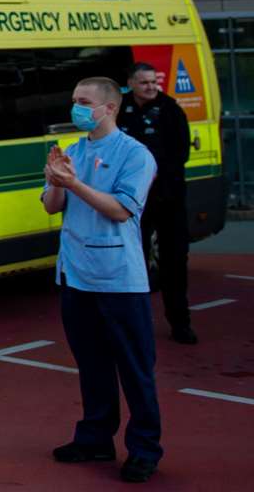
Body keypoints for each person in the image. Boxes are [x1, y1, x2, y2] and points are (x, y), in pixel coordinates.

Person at [42, 77, 161, 484]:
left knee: (134, 367)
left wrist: (74, 182)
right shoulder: (72, 152)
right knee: (91, 365)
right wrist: (56, 181)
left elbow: (121, 211)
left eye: (84, 102)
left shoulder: (135, 155)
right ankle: (95, 436)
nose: (76, 108)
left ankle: (145, 447)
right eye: (74, 100)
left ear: (109, 108)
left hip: (119, 280)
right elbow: (50, 206)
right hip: (76, 276)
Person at [117, 62, 196, 344]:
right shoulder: (119, 109)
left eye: (153, 82)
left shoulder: (170, 110)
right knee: (129, 261)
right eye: (144, 82)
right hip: (131, 201)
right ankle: (133, 324)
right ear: (131, 83)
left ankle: (180, 323)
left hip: (167, 198)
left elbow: (180, 155)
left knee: (174, 262)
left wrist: (152, 176)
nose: (151, 87)